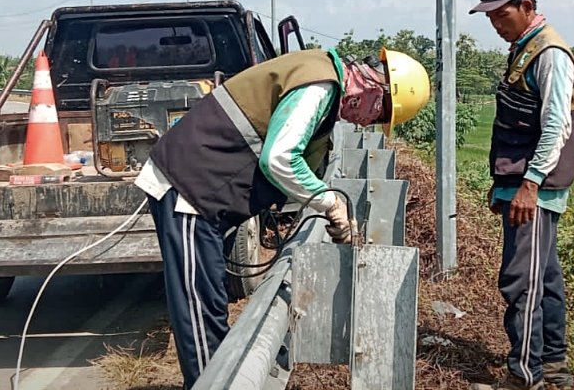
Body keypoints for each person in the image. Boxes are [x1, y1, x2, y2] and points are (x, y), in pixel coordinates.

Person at [133, 46, 430, 389]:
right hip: (188, 189)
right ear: (375, 89)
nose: (367, 123)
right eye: (379, 115)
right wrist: (328, 201)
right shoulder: (318, 85)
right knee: (200, 309)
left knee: (212, 300)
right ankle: (207, 382)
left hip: (209, 194)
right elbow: (280, 159)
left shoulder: (321, 82)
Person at [469, 0, 574, 390]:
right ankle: (553, 368)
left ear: (527, 8)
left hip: (535, 190)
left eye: (502, 14)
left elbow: (556, 127)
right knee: (546, 278)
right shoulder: (525, 48)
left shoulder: (549, 52)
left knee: (522, 281)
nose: (495, 23)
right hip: (520, 185)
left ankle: (525, 376)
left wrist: (529, 184)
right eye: (491, 16)